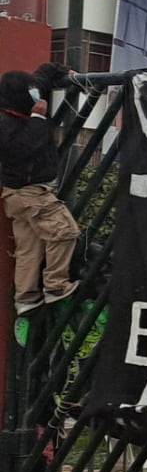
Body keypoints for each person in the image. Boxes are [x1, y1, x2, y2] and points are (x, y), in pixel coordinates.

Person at [0, 67, 79, 314]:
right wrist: (37, 118)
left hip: (18, 195)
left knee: (29, 248)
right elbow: (22, 149)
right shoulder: (5, 121)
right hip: (29, 192)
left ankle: (25, 299)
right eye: (30, 92)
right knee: (65, 231)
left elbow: (42, 77)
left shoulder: (26, 97)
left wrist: (63, 71)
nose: (35, 95)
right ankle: (56, 286)